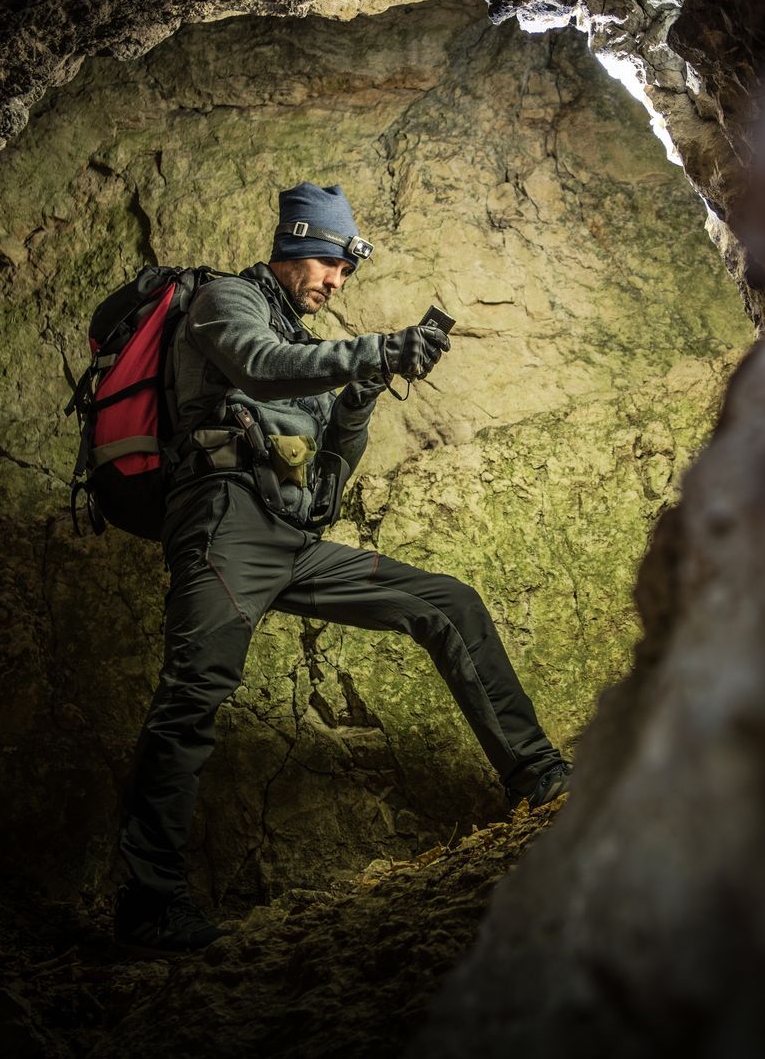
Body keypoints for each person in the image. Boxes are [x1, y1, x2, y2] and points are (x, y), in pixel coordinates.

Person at [113, 181, 572, 955]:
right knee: (191, 696)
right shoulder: (227, 302)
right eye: (328, 261)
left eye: (344, 270)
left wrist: (357, 399)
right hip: (225, 525)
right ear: (293, 245)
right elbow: (258, 367)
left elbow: (328, 480)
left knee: (446, 604)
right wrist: (376, 351)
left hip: (290, 540)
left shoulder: (307, 344)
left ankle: (543, 780)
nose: (336, 279)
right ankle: (148, 907)